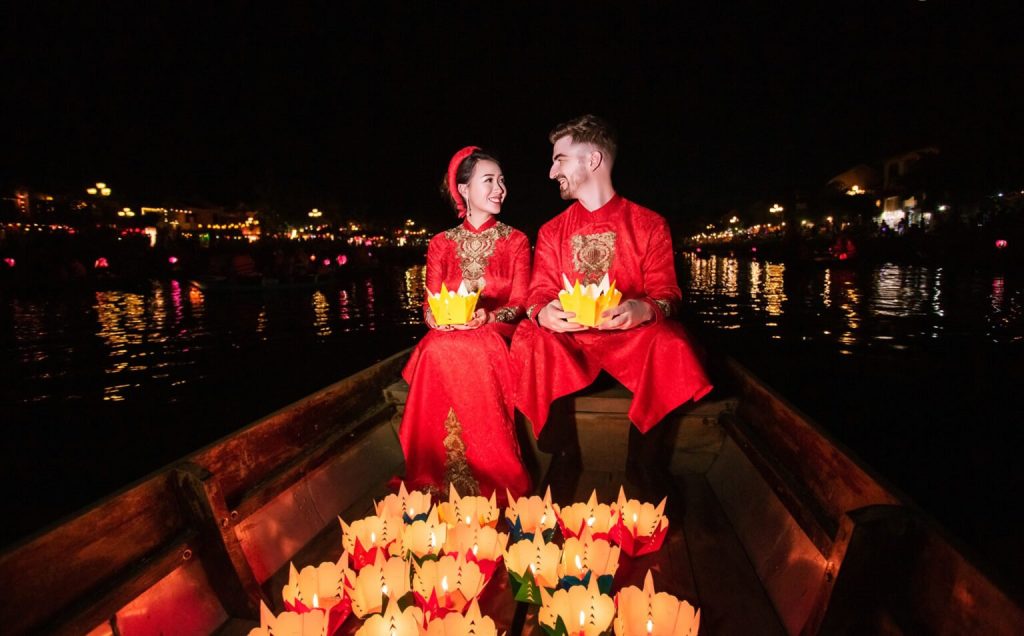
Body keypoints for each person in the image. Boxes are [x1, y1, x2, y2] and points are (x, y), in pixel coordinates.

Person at [511, 114, 712, 442]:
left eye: (560, 160)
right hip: (571, 344)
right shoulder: (551, 231)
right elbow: (539, 293)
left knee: (671, 342)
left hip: (630, 342)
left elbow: (667, 293)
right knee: (535, 339)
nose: (552, 172)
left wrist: (643, 309)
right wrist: (543, 312)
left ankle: (644, 461)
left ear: (593, 160)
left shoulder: (649, 224)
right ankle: (560, 454)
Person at [398, 146, 532, 502]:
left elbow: (520, 304)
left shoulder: (516, 240)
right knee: (435, 347)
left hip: (497, 330)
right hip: (451, 331)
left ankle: (494, 475)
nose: (500, 188)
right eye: (489, 180)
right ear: (463, 189)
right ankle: (434, 472)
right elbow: (430, 301)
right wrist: (431, 317)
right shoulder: (441, 243)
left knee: (474, 347)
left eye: (502, 180)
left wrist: (489, 316)